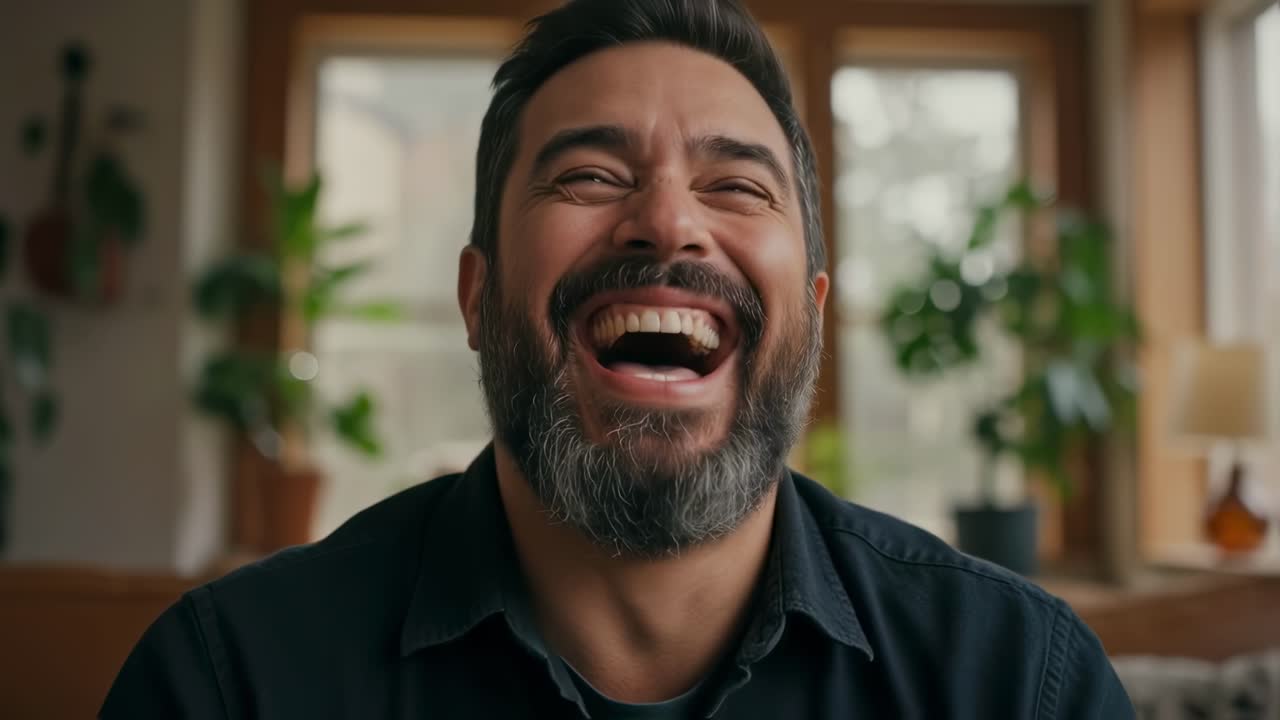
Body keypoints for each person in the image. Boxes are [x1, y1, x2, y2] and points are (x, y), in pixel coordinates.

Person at [101, 0, 1134, 717]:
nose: (665, 222)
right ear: (476, 297)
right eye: (590, 175)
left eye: (735, 186)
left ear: (810, 317)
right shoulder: (228, 685)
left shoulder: (1017, 686)